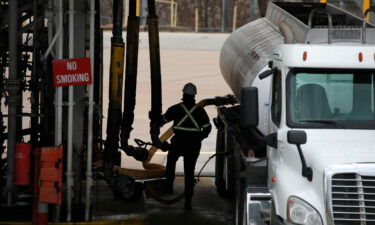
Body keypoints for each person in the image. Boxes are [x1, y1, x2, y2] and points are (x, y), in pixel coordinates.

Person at [161, 83, 212, 210]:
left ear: (183, 94)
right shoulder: (200, 111)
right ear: (194, 95)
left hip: (178, 142)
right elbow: (207, 128)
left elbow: (163, 120)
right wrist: (199, 137)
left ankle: (168, 188)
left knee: (171, 162)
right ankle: (188, 202)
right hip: (193, 145)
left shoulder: (176, 108)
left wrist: (156, 118)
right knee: (189, 173)